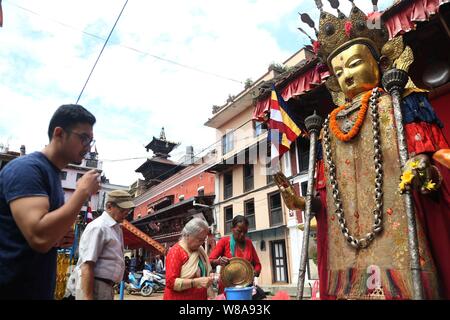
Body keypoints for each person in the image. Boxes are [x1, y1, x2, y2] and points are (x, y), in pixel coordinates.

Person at [275, 2, 449, 299]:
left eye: (354, 63)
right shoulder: (329, 128)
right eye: (339, 71)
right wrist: (303, 203)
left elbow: (431, 154)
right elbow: (325, 200)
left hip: (398, 229)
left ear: (379, 63)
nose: (347, 76)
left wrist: (422, 168)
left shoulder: (400, 103)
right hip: (348, 246)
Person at [0, 104, 100, 300]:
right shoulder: (27, 169)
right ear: (59, 133)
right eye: (84, 138)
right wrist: (82, 192)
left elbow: (35, 235)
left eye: (91, 140)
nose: (88, 147)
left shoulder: (51, 174)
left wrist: (59, 234)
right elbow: (39, 236)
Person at [74, 190, 134, 300]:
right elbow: (87, 265)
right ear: (109, 206)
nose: (126, 213)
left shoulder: (116, 228)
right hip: (95, 285)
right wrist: (88, 297)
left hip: (105, 286)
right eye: (122, 210)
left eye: (128, 211)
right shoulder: (99, 227)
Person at [209, 215, 263, 298]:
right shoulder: (224, 242)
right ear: (232, 229)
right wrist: (219, 261)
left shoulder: (248, 243)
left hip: (246, 287)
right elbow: (210, 260)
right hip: (227, 288)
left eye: (245, 232)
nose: (242, 235)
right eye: (239, 231)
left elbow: (257, 264)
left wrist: (254, 272)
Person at [164, 217, 213, 300]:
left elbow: (204, 271)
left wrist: (209, 276)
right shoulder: (176, 252)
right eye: (199, 240)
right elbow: (171, 282)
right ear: (187, 235)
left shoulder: (199, 250)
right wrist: (196, 282)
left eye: (203, 240)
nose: (201, 243)